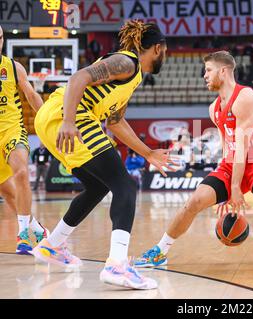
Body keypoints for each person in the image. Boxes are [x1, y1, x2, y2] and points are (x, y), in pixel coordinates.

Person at [135, 51, 253, 272]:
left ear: (223, 71)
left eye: (208, 70)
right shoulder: (214, 108)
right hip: (232, 161)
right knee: (194, 201)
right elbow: (229, 147)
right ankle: (160, 251)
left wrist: (235, 187)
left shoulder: (245, 97)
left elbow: (244, 147)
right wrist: (225, 189)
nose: (204, 75)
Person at [32, 21, 175, 289]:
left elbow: (115, 122)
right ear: (157, 48)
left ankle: (52, 245)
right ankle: (117, 265)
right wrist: (70, 120)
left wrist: (148, 153)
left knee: (98, 187)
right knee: (125, 186)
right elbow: (78, 78)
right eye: (164, 51)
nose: (164, 56)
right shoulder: (127, 62)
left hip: (58, 118)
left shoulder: (132, 78)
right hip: (67, 115)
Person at [0, 26, 49, 255]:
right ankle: (36, 228)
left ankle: (24, 235)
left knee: (20, 172)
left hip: (12, 129)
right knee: (8, 192)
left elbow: (30, 94)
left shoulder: (12, 66)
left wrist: (49, 121)